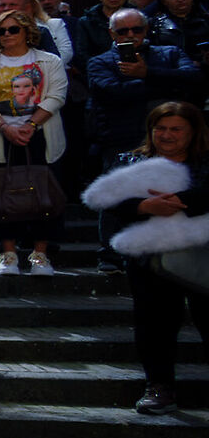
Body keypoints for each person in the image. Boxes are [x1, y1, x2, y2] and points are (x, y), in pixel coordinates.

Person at [84, 99, 209, 415]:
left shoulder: (206, 162)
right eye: (161, 128)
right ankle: (159, 387)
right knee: (155, 325)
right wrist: (142, 207)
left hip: (202, 253)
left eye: (176, 129)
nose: (167, 135)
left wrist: (182, 200)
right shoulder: (129, 161)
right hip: (149, 260)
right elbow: (107, 199)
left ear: (193, 132)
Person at [0, 9, 69, 275]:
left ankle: (40, 255)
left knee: (43, 197)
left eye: (13, 29)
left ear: (27, 31)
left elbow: (57, 96)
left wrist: (31, 125)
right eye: (1, 31)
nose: (7, 35)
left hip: (41, 137)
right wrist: (4, 127)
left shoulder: (49, 62)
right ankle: (8, 254)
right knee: (2, 198)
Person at [87, 6, 201, 152]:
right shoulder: (99, 62)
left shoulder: (171, 53)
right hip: (124, 139)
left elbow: (194, 78)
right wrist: (171, 86)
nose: (130, 34)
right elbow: (114, 93)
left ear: (146, 29)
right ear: (112, 33)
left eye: (137, 30)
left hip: (175, 136)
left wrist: (148, 73)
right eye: (122, 31)